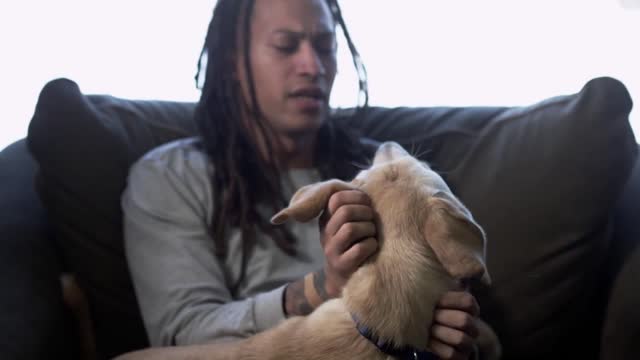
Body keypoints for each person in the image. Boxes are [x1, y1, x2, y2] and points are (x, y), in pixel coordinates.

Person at [122, 0, 482, 359]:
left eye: (325, 46)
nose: (313, 66)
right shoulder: (170, 177)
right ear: (233, 58)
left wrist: (448, 327)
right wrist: (322, 287)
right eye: (285, 45)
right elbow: (182, 334)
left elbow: (457, 286)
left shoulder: (387, 172)